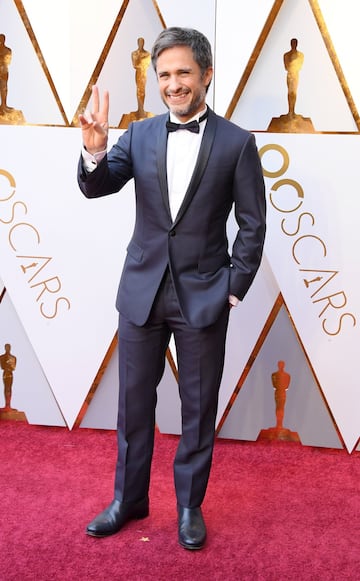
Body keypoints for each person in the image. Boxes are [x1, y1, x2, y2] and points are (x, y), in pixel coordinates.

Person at [78, 27, 266, 550]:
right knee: (132, 406)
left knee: (197, 408)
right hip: (141, 291)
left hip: (205, 294)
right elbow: (98, 186)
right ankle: (129, 500)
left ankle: (189, 507)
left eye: (184, 72)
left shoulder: (237, 142)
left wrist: (234, 287)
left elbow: (253, 224)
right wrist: (93, 152)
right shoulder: (138, 135)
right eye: (165, 75)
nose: (174, 84)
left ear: (206, 75)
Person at [283, 38, 304, 117]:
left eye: (295, 43)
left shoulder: (300, 55)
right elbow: (286, 66)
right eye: (292, 43)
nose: (294, 45)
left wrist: (294, 68)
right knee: (289, 92)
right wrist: (291, 68)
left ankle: (293, 111)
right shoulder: (286, 55)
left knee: (294, 92)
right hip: (289, 74)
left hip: (295, 74)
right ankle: (290, 111)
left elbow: (300, 66)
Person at [131, 37, 151, 117]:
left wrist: (141, 63)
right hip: (138, 73)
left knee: (143, 90)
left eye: (142, 42)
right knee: (139, 89)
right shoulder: (134, 53)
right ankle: (139, 109)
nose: (141, 44)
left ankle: (142, 108)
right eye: (140, 42)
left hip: (143, 73)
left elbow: (147, 64)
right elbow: (135, 65)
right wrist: (141, 62)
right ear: (137, 43)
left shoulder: (147, 54)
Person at [0, 343, 16, 409]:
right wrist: (8, 365)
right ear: (5, 348)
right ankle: (6, 405)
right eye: (6, 347)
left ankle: (8, 405)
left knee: (9, 387)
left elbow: (13, 367)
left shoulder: (13, 358)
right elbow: (2, 366)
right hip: (5, 373)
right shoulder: (1, 357)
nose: (7, 348)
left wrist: (8, 366)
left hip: (10, 374)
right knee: (6, 387)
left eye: (8, 347)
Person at [0, 34, 12, 113]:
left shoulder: (8, 50)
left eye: (2, 39)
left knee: (4, 89)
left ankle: (4, 105)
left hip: (4, 71)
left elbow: (8, 61)